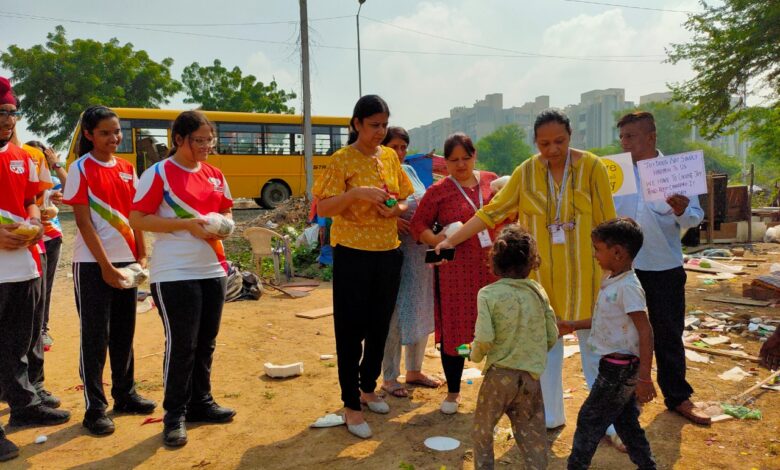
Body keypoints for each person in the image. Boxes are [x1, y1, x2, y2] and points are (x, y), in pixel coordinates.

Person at [436, 110, 617, 434]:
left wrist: (613, 274)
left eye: (559, 141)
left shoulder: (592, 168)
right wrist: (451, 239)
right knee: (545, 349)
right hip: (541, 281)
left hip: (588, 278)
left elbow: (607, 223)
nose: (552, 149)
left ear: (570, 136)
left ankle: (608, 423)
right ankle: (550, 415)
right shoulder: (526, 172)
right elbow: (492, 212)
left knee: (595, 350)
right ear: (535, 142)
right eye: (544, 143)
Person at [130, 110, 236, 447]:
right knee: (182, 345)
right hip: (174, 272)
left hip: (212, 267)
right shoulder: (158, 173)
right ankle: (174, 414)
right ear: (179, 139)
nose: (206, 146)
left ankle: (201, 403)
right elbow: (138, 218)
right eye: (199, 141)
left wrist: (222, 223)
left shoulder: (215, 174)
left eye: (210, 140)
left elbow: (227, 209)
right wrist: (185, 225)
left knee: (206, 341)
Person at [313, 95, 413, 439]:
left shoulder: (388, 156)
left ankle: (368, 388)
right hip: (353, 254)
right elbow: (324, 207)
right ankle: (351, 405)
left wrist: (395, 209)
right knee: (350, 330)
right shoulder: (341, 160)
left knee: (379, 326)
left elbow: (403, 196)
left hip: (388, 251)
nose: (380, 132)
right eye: (374, 125)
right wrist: (356, 194)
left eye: (384, 125)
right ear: (356, 123)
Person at [63, 105, 155, 436]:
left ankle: (125, 394)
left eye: (116, 131)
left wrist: (142, 253)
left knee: (123, 331)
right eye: (105, 132)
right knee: (95, 336)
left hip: (127, 263)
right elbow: (83, 221)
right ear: (89, 135)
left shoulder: (129, 168)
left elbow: (135, 213)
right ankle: (94, 407)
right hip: (92, 265)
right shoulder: (80, 168)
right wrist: (105, 266)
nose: (113, 138)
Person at [614, 111, 710, 425]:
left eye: (631, 136)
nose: (624, 142)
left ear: (651, 137)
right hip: (625, 269)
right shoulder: (616, 174)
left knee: (668, 333)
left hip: (665, 266)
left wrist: (682, 210)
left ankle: (678, 396)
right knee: (627, 336)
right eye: (622, 136)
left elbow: (695, 216)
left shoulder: (677, 172)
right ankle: (627, 398)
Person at [0, 77, 68, 446]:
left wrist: (34, 221)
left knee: (18, 340)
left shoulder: (21, 157)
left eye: (12, 112)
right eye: (2, 112)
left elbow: (29, 198)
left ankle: (23, 403)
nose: (8, 119)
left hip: (22, 262)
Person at [410, 132, 498, 415]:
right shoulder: (439, 191)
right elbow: (418, 225)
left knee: (496, 329)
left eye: (466, 158)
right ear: (445, 162)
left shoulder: (491, 181)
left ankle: (498, 389)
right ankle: (454, 390)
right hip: (456, 274)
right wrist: (440, 242)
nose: (461, 165)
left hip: (494, 270)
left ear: (475, 156)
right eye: (453, 160)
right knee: (459, 332)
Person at [563, 217, 657, 470]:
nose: (595, 255)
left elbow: (645, 331)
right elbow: (606, 318)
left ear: (617, 252)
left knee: (589, 419)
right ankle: (647, 466)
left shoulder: (628, 287)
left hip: (620, 369)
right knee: (626, 422)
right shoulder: (613, 280)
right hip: (615, 366)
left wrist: (645, 378)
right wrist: (572, 324)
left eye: (597, 249)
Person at [470, 225, 558, 470]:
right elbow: (552, 335)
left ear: (495, 261)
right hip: (530, 377)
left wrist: (473, 354)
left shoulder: (488, 294)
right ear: (531, 263)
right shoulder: (538, 291)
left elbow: (485, 337)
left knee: (483, 430)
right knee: (532, 435)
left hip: (499, 376)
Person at [380, 126, 441, 398]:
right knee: (395, 315)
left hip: (420, 254)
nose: (400, 152)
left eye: (404, 147)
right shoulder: (378, 175)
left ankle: (414, 369)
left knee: (420, 308)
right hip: (396, 254)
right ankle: (390, 376)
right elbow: (370, 213)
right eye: (395, 147)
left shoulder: (410, 172)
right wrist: (392, 221)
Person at [26, 140, 67, 350]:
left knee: (45, 288)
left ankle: (42, 330)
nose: (36, 161)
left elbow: (69, 193)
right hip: (28, 239)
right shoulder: (20, 175)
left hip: (50, 238)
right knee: (29, 288)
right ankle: (30, 330)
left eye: (40, 158)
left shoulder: (50, 179)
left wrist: (57, 166)